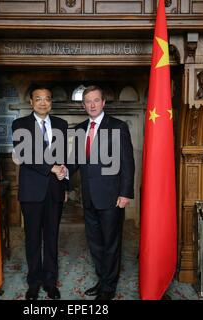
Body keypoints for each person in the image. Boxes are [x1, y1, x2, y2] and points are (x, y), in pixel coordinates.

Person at [67, 85, 135, 300]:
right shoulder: (79, 129)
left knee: (111, 243)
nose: (92, 104)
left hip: (112, 197)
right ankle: (102, 279)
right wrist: (61, 173)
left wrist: (125, 193)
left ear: (103, 103)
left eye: (96, 100)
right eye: (88, 101)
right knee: (95, 243)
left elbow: (127, 163)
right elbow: (75, 162)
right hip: (88, 197)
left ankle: (108, 288)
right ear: (84, 105)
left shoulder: (118, 126)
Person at [11, 85, 68, 300]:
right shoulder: (20, 124)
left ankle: (50, 282)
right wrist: (51, 168)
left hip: (55, 191)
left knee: (52, 239)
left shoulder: (62, 125)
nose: (43, 102)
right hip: (31, 192)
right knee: (33, 239)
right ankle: (34, 282)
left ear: (51, 102)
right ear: (31, 102)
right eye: (38, 99)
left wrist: (64, 178)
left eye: (47, 99)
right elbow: (25, 153)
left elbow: (64, 155)